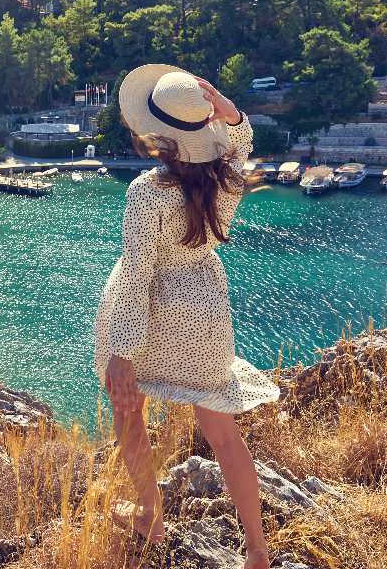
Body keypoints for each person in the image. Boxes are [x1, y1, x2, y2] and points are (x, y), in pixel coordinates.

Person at [94, 66, 278, 569]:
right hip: (205, 307)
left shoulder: (146, 192)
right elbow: (241, 141)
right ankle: (257, 550)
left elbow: (136, 273)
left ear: (156, 134)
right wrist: (230, 111)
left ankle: (150, 517)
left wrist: (121, 355)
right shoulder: (229, 176)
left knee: (129, 409)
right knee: (222, 431)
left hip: (151, 312)